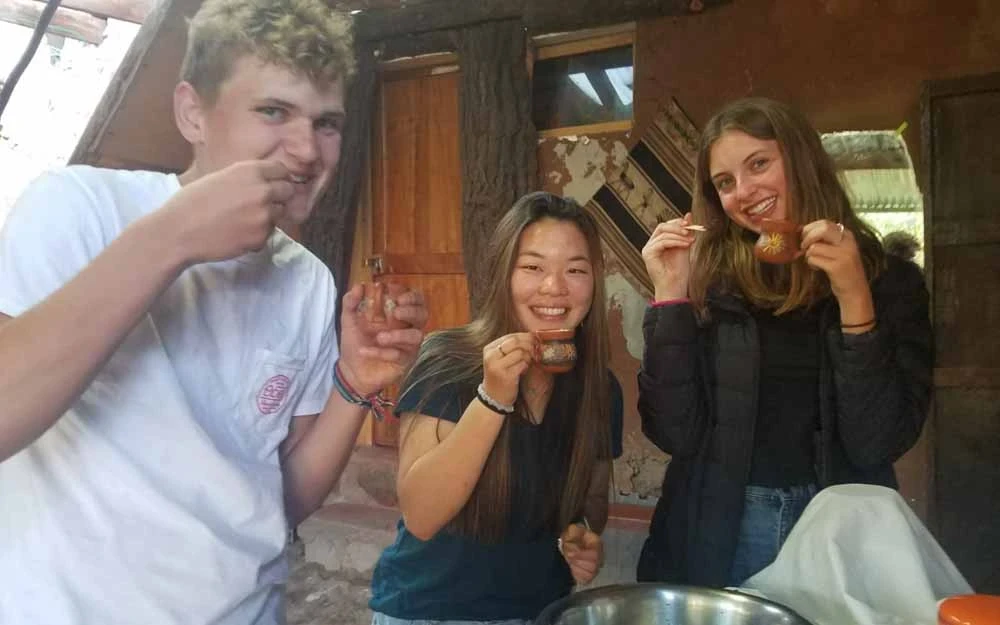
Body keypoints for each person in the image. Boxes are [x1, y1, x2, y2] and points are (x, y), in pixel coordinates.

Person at [0, 0, 428, 623]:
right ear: (192, 112)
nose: (307, 150)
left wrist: (354, 385)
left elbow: (280, 497)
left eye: (327, 122)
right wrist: (172, 240)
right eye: (273, 111)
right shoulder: (78, 207)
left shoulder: (307, 282)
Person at [635, 97, 932, 588]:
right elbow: (673, 433)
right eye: (725, 183)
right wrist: (670, 295)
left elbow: (877, 441)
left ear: (800, 158)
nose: (745, 192)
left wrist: (855, 295)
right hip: (721, 526)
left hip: (837, 530)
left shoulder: (890, 281)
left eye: (759, 164)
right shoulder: (709, 279)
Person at [368, 191, 624, 624]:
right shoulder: (446, 361)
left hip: (540, 610)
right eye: (533, 267)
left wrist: (582, 534)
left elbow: (591, 498)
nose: (554, 288)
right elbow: (421, 515)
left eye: (575, 270)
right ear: (505, 274)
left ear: (594, 282)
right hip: (431, 612)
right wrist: (493, 397)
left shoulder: (599, 389)